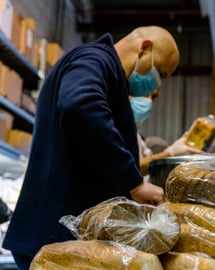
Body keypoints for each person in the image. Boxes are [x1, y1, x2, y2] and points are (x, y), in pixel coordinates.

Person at [2, 26, 179, 269]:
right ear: (144, 48)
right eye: (161, 73)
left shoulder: (110, 77)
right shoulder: (94, 60)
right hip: (53, 238)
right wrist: (134, 183)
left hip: (65, 238)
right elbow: (80, 104)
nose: (156, 86)